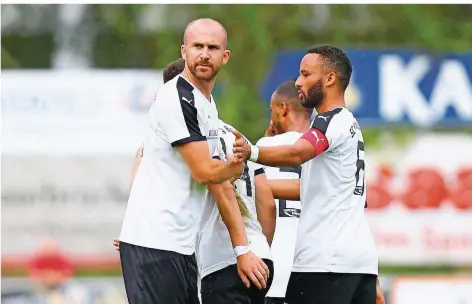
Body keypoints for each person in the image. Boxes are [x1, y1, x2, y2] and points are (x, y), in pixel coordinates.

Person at [119, 19, 268, 304]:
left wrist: (242, 250)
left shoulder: (206, 104)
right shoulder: (177, 96)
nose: (204, 54)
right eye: (197, 46)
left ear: (225, 57)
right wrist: (235, 166)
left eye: (212, 48)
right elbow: (205, 172)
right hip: (154, 241)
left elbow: (218, 180)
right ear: (184, 50)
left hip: (181, 246)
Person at [232, 44, 381, 304]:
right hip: (361, 264)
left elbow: (298, 153)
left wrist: (251, 152)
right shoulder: (352, 126)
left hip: (324, 264)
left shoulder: (329, 120)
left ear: (330, 79)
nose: (299, 82)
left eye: (305, 74)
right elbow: (332, 193)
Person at [198, 120, 276, 304]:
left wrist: (243, 251)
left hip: (225, 260)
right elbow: (268, 203)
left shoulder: (196, 136)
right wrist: (258, 249)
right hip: (261, 258)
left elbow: (221, 186)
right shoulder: (239, 137)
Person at [255, 80, 312, 304]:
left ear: (283, 108)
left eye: (272, 110)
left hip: (273, 270)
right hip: (313, 272)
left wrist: (263, 145)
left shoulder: (263, 149)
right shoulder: (325, 150)